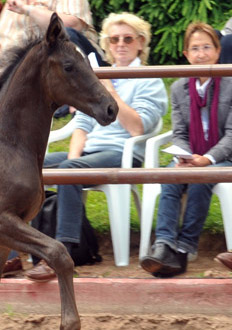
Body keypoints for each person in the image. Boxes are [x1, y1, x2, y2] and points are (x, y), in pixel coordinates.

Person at [25, 12, 168, 281]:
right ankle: (25, 248)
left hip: (124, 153)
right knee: (28, 165)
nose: (120, 44)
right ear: (106, 44)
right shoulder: (99, 74)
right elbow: (82, 124)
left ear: (141, 42)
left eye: (128, 38)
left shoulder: (149, 78)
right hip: (90, 154)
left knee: (69, 169)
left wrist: (110, 91)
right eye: (114, 39)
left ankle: (61, 254)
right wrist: (72, 160)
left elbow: (137, 127)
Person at [140, 22, 232, 278]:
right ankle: (164, 245)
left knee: (202, 179)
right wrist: (184, 157)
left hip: (224, 158)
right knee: (171, 176)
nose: (201, 54)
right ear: (186, 55)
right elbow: (179, 133)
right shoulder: (179, 88)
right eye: (195, 49)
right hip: (193, 156)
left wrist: (208, 159)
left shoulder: (230, 82)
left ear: (217, 51)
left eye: (206, 47)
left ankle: (183, 249)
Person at [0, 0, 106, 68]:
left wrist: (28, 10)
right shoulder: (11, 2)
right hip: (18, 74)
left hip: (67, 71)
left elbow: (71, 25)